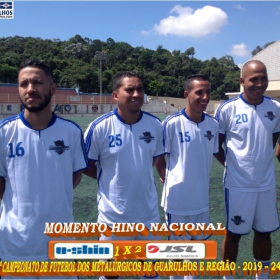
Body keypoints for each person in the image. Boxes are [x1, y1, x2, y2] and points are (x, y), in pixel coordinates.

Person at [0, 59, 87, 266]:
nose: (30, 89)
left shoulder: (71, 132)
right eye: (24, 84)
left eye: (37, 82)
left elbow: (75, 176)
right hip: (15, 247)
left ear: (53, 88)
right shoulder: (4, 132)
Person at [83, 71, 164, 279]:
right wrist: (108, 178)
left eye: (140, 89)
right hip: (113, 218)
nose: (136, 94)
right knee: (110, 274)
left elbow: (155, 159)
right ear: (115, 95)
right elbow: (85, 165)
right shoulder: (99, 127)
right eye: (129, 89)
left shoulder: (155, 125)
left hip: (148, 216)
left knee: (150, 271)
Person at [214, 60, 280, 279]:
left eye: (263, 78)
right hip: (237, 186)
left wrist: (259, 163)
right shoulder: (227, 108)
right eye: (253, 79)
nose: (259, 83)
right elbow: (217, 146)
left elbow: (272, 141)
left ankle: (261, 277)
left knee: (264, 232)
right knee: (234, 234)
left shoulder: (275, 108)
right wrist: (233, 166)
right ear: (242, 81)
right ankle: (228, 277)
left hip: (266, 185)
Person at [156, 74, 219, 280]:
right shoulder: (171, 123)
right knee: (177, 252)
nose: (205, 96)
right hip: (178, 200)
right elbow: (159, 157)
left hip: (201, 199)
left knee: (195, 249)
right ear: (186, 94)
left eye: (207, 91)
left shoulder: (213, 124)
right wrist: (166, 177)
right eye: (199, 92)